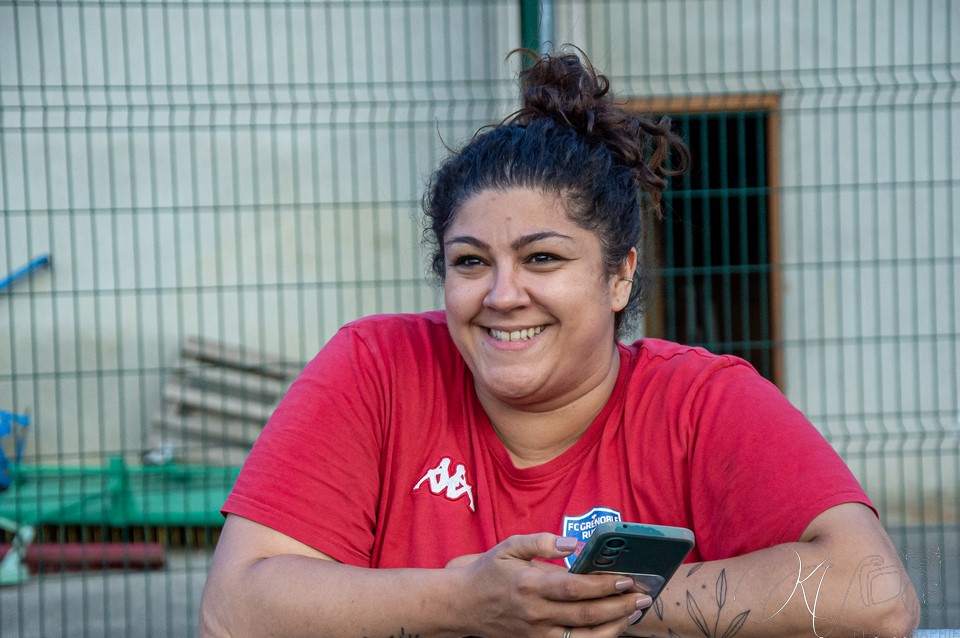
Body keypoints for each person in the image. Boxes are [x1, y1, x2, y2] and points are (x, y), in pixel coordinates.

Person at [200, 48, 919, 638]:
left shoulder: (701, 400)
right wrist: (465, 602)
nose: (502, 294)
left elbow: (877, 593)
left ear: (618, 276)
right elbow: (233, 610)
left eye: (542, 258)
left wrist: (586, 602)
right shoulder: (375, 368)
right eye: (470, 261)